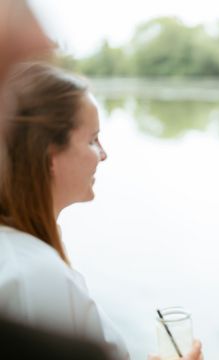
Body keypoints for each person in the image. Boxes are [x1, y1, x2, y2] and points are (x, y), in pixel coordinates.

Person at [0, 62, 203, 360]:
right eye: (93, 139)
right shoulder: (34, 276)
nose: (104, 154)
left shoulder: (20, 255)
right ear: (50, 155)